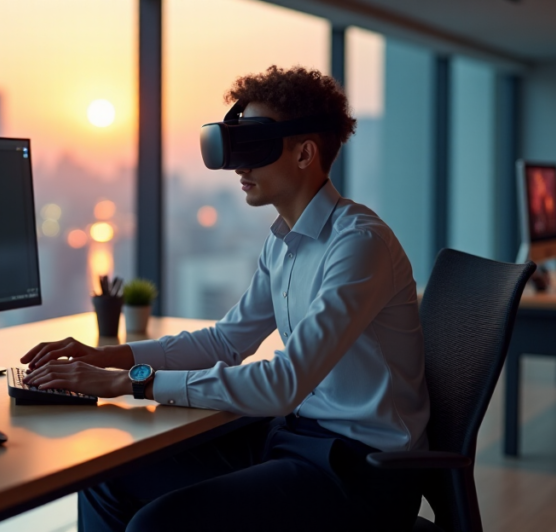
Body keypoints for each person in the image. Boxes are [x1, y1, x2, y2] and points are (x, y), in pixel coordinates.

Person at [21, 65, 429, 531]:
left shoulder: (360, 244)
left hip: (360, 470)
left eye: (253, 147)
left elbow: (284, 382)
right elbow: (226, 341)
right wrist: (108, 357)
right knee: (107, 479)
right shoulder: (283, 242)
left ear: (305, 153)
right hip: (294, 437)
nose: (240, 165)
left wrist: (129, 383)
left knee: (159, 524)